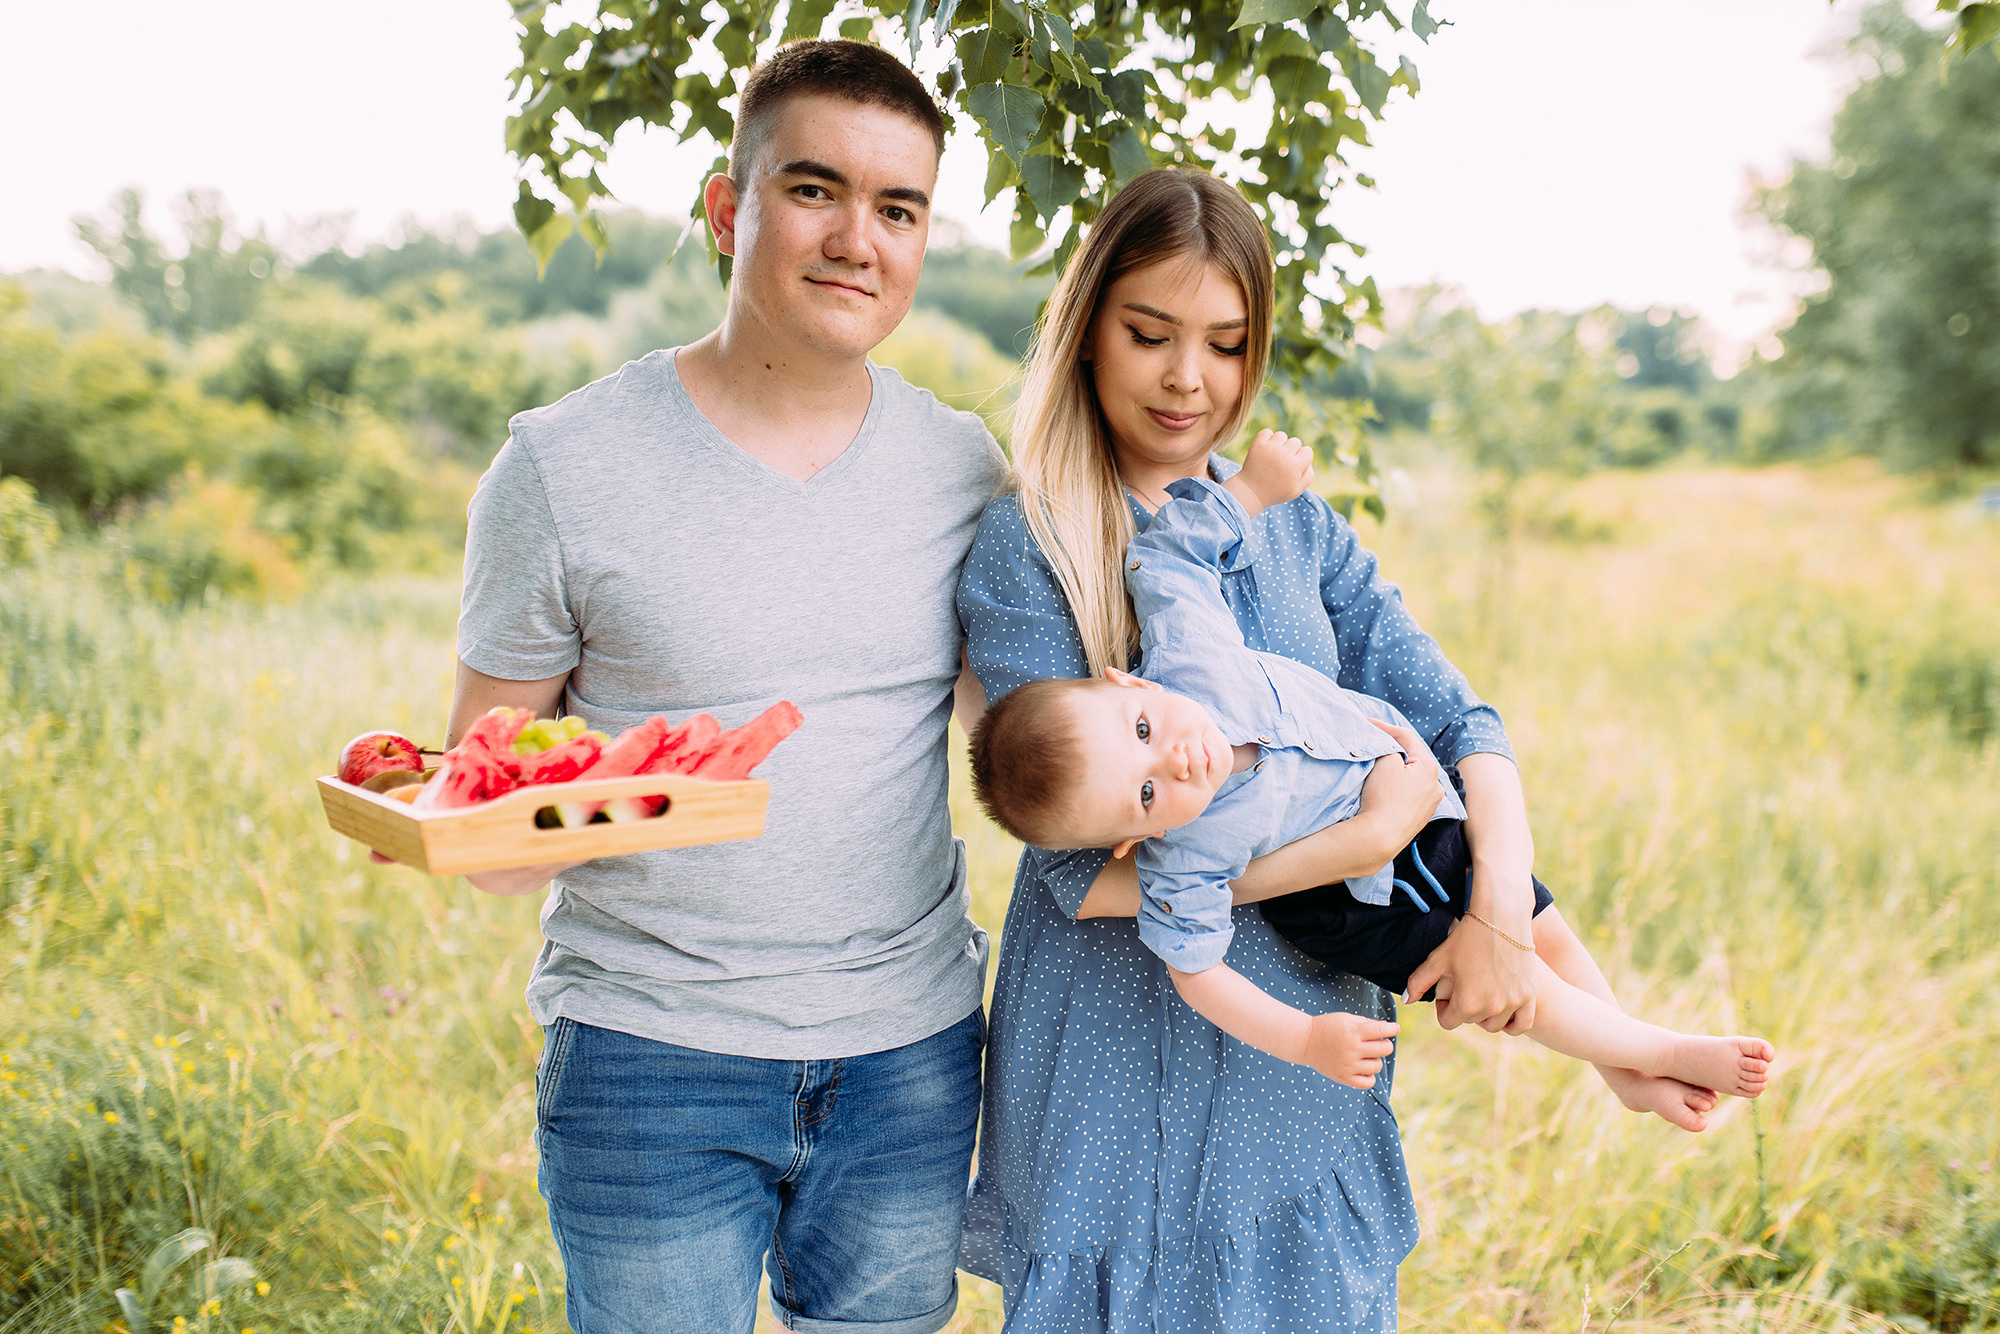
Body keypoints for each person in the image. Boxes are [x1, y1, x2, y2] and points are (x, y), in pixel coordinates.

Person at [956, 166, 1721, 1330]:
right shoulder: (1033, 541)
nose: (1184, 378)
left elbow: (1462, 723)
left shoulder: (1293, 523)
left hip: (1301, 1061)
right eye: (1148, 332)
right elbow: (1080, 873)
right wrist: (1355, 841)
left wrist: (1498, 925)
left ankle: (1614, 1036)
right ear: (1086, 329)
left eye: (1222, 343)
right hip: (1115, 1055)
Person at [443, 39, 1007, 1334]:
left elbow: (1026, 761)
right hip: (653, 1054)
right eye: (815, 190)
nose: (858, 238)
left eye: (899, 207)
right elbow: (491, 842)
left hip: (911, 1055)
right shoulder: (560, 466)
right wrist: (490, 820)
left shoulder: (965, 470)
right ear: (725, 207)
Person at [966, 460, 1775, 1105]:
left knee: (1535, 921)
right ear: (1133, 837)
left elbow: (1167, 554)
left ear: (1132, 685)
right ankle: (1658, 1054)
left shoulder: (1186, 651)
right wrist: (1304, 1039)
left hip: (1416, 804)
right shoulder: (1183, 855)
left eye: (1143, 733)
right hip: (1350, 902)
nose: (1173, 762)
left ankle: (1624, 1061)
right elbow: (1199, 973)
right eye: (1145, 793)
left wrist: (1249, 490)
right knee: (1487, 967)